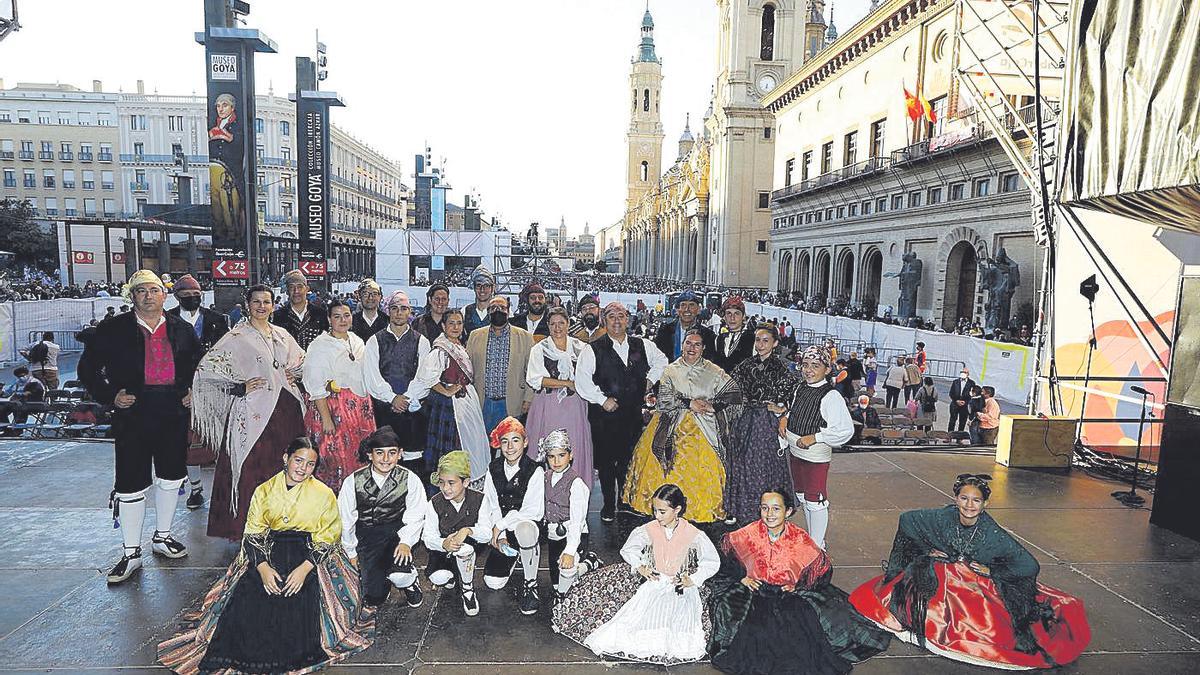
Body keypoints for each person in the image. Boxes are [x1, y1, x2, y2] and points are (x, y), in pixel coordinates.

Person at [157, 438, 375, 673]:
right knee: (249, 599)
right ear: (286, 458)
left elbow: (328, 537)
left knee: (297, 605)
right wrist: (262, 568)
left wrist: (303, 570)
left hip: (310, 556)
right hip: (268, 552)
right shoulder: (264, 490)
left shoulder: (324, 494)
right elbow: (253, 533)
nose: (302, 468)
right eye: (298, 460)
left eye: (310, 464)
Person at [849, 474, 1091, 669]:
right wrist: (927, 549)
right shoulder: (944, 517)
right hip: (947, 576)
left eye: (976, 501)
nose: (969, 505)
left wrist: (992, 569)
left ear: (985, 504)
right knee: (939, 583)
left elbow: (1029, 565)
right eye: (964, 498)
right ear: (956, 498)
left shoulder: (992, 534)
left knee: (984, 617)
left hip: (976, 582)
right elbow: (908, 520)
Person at [77, 270, 202, 584]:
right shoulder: (112, 329)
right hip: (133, 411)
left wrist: (191, 391)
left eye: (154, 290)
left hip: (172, 411)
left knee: (172, 476)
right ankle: (131, 552)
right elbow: (87, 369)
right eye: (142, 291)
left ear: (165, 295)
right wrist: (110, 395)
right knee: (130, 482)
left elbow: (197, 366)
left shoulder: (182, 329)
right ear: (131, 296)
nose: (149, 296)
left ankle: (163, 536)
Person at [708, 489, 891, 674]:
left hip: (788, 594)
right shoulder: (748, 533)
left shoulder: (799, 538)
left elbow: (821, 569)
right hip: (754, 590)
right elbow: (724, 556)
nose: (770, 514)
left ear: (788, 511)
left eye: (776, 509)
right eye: (765, 508)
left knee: (804, 630)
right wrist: (742, 577)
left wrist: (799, 585)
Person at [553, 484, 720, 665]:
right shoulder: (650, 528)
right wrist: (640, 566)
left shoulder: (693, 534)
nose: (657, 516)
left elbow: (712, 561)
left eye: (662, 511)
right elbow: (629, 549)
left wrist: (693, 578)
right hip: (654, 581)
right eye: (655, 510)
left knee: (675, 628)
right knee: (631, 620)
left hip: (678, 585)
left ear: (677, 510)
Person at [193, 284, 307, 540]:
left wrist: (294, 373)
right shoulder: (237, 337)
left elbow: (302, 361)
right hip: (253, 412)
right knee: (253, 468)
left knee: (286, 466)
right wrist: (239, 386)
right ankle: (249, 528)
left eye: (267, 302)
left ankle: (285, 525)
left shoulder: (281, 334)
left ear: (273, 305)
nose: (262, 307)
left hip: (287, 412)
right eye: (256, 302)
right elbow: (206, 371)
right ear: (247, 304)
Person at [625, 329, 741, 523]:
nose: (692, 348)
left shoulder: (714, 371)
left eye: (697, 344)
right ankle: (665, 507)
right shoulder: (671, 369)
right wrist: (689, 404)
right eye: (688, 343)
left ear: (703, 348)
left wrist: (715, 405)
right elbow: (663, 398)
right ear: (682, 346)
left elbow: (734, 393)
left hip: (704, 428)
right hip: (671, 425)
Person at [575, 301, 668, 522]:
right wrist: (601, 399)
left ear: (627, 319)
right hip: (604, 415)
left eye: (620, 316)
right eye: (611, 316)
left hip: (632, 414)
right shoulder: (592, 349)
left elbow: (663, 362)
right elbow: (582, 381)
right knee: (606, 462)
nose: (616, 320)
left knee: (629, 459)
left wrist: (649, 381)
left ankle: (624, 501)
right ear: (603, 321)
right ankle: (608, 503)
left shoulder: (643, 345)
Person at [337, 426, 428, 610]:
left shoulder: (410, 478)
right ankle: (381, 579)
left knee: (399, 575)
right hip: (366, 537)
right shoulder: (352, 481)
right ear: (370, 454)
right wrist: (351, 551)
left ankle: (409, 581)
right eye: (380, 453)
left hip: (396, 533)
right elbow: (345, 520)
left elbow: (416, 515)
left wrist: (406, 542)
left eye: (391, 453)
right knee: (374, 597)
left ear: (400, 454)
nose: (386, 459)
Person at [778, 345, 854, 550]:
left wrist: (816, 437)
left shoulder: (831, 396)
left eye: (815, 366)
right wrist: (785, 418)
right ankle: (813, 539)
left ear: (827, 369)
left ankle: (817, 546)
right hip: (795, 452)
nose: (809, 370)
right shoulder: (800, 388)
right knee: (802, 496)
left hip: (815, 457)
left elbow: (845, 430)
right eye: (805, 365)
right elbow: (794, 410)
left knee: (815, 499)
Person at [404, 308, 490, 482]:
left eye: (459, 323)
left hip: (466, 401)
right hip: (449, 406)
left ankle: (466, 479)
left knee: (470, 440)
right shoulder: (440, 350)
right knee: (452, 445)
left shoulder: (459, 346)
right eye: (451, 323)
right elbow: (428, 378)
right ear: (443, 325)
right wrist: (447, 391)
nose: (456, 327)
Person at [167, 274, 231, 510]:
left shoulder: (217, 320)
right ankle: (195, 489)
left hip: (214, 389)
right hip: (179, 392)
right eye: (186, 296)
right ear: (177, 297)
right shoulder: (168, 320)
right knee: (187, 444)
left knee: (218, 442)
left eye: (196, 295)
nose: (192, 299)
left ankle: (222, 492)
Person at [724, 325, 797, 524]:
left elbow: (794, 395)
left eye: (766, 340)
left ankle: (767, 512)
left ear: (775, 343)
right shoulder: (746, 365)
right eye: (758, 340)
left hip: (766, 423)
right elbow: (729, 388)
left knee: (764, 467)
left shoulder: (783, 368)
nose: (761, 344)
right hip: (744, 421)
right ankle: (741, 508)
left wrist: (783, 410)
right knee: (742, 465)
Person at [302, 299, 375, 489]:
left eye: (346, 315)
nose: (343, 320)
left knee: (359, 456)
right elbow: (315, 385)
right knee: (335, 458)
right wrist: (326, 418)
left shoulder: (357, 340)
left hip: (359, 408)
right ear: (329, 319)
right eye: (337, 316)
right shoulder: (320, 345)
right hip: (332, 407)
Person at [362, 290, 432, 475]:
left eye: (403, 308)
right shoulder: (374, 341)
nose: (399, 313)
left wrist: (406, 399)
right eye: (394, 308)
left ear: (410, 312)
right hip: (384, 410)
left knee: (413, 461)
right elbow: (372, 377)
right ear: (388, 311)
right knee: (384, 458)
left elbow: (424, 377)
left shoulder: (422, 341)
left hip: (413, 410)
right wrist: (393, 398)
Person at [481, 417, 545, 614]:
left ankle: (530, 583)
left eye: (515, 440)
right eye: (505, 441)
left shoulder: (535, 470)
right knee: (493, 582)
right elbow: (490, 502)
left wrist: (501, 525)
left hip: (525, 526)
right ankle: (514, 555)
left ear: (525, 442)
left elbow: (532, 511)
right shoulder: (493, 468)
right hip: (502, 532)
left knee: (525, 529)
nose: (510, 447)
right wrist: (499, 536)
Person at [524, 307, 593, 486]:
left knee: (573, 444)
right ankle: (546, 490)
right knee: (549, 445)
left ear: (568, 324)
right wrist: (568, 383)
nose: (557, 328)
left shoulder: (581, 348)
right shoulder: (539, 349)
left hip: (574, 406)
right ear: (547, 325)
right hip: (548, 404)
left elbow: (589, 376)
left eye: (561, 323)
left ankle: (575, 488)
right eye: (553, 324)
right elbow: (535, 379)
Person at [422, 450, 495, 616]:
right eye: (441, 483)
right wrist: (443, 544)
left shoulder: (480, 499)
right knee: (438, 577)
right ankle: (453, 575)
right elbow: (428, 536)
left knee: (465, 550)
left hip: (468, 549)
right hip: (443, 552)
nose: (445, 488)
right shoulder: (434, 503)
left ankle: (468, 589)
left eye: (451, 483)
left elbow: (486, 533)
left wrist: (467, 530)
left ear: (466, 482)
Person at [540, 428, 599, 601]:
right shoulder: (544, 477)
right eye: (551, 456)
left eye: (561, 455)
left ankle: (586, 563)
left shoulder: (577, 483)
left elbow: (577, 521)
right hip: (553, 535)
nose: (556, 461)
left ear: (570, 456)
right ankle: (588, 562)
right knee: (556, 582)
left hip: (574, 534)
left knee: (566, 578)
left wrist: (571, 550)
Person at [465, 295, 534, 435]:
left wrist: (528, 399)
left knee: (510, 446)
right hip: (483, 402)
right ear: (488, 312)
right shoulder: (475, 336)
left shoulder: (525, 337)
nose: (498, 311)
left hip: (511, 402)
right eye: (494, 308)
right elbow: (467, 370)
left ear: (508, 311)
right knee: (483, 446)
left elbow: (531, 372)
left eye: (502, 308)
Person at [272, 270, 328, 351]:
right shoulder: (278, 316)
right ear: (287, 291)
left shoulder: (320, 313)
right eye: (291, 287)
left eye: (300, 287)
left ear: (307, 289)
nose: (296, 291)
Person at [654, 290, 717, 361]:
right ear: (677, 310)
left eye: (691, 305)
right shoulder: (665, 332)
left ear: (699, 310)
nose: (687, 309)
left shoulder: (708, 335)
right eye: (683, 305)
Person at [713, 297, 754, 374]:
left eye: (737, 313)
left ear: (743, 316)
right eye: (729, 313)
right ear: (724, 317)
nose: (732, 318)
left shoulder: (753, 339)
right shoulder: (719, 339)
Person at [350, 278, 388, 343]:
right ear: (359, 297)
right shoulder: (351, 322)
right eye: (365, 294)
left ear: (380, 297)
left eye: (374, 293)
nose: (370, 298)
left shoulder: (388, 321)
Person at [463, 267, 496, 334]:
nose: (482, 289)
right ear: (474, 288)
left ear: (492, 288)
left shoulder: (502, 310)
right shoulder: (465, 311)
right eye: (478, 285)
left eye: (486, 285)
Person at [948, 368, 977, 432]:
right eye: (962, 372)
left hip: (965, 405)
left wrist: (966, 402)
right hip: (955, 404)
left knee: (962, 422)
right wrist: (956, 401)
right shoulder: (955, 382)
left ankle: (959, 437)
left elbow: (972, 395)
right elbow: (951, 393)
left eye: (965, 372)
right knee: (952, 420)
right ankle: (949, 436)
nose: (963, 373)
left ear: (968, 374)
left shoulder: (971, 383)